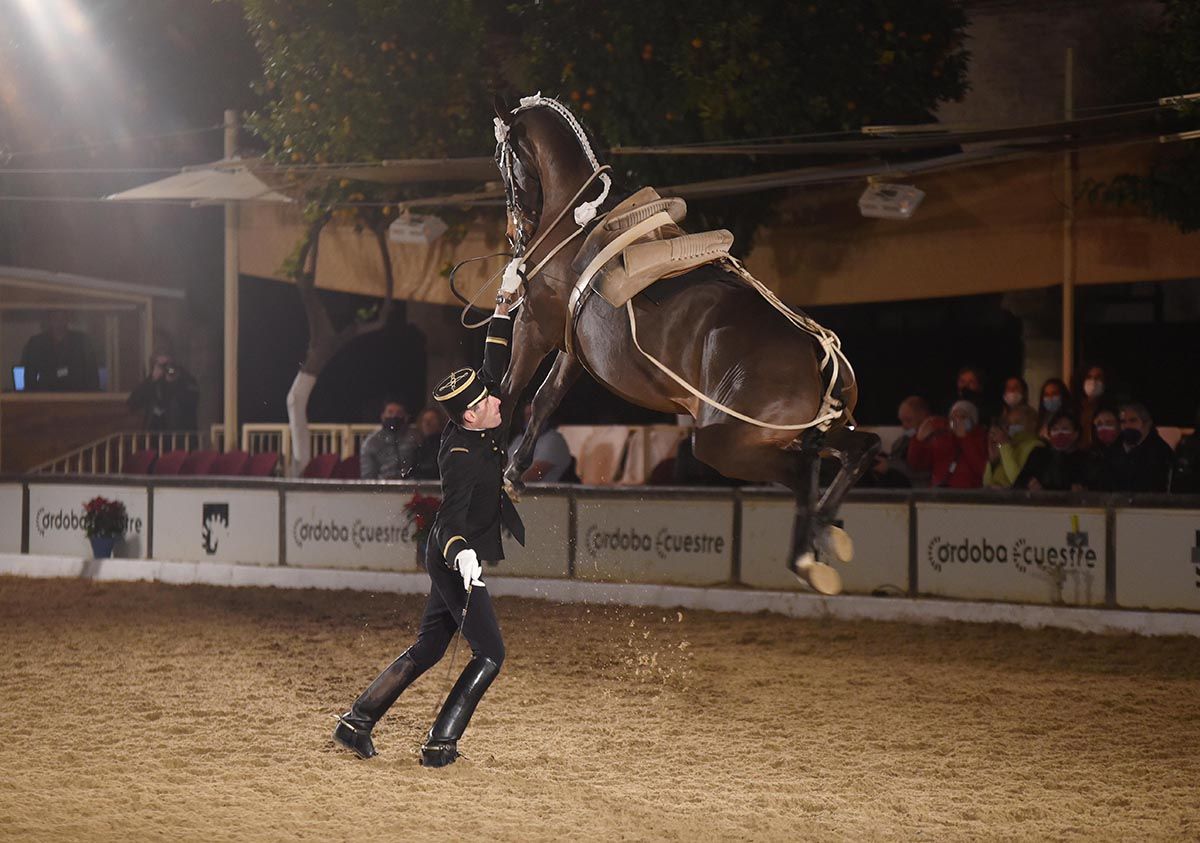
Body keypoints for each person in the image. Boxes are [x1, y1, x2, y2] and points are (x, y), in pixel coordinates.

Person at [334, 299, 523, 768]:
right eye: (485, 401)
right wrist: (462, 555)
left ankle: (356, 721)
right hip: (451, 555)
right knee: (490, 653)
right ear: (469, 418)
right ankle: (441, 741)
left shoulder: (482, 414)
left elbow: (493, 362)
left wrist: (502, 308)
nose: (498, 399)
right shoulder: (457, 455)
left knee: (431, 647)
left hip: (458, 555)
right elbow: (451, 521)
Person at [862, 395, 935, 488]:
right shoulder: (905, 439)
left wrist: (890, 465)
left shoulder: (933, 439)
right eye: (902, 421)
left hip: (913, 488)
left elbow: (923, 471)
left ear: (923, 416)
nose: (904, 426)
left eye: (908, 420)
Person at [19, 310, 99, 392]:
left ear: (68, 318)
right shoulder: (37, 343)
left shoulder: (81, 341)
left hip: (76, 396)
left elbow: (92, 374)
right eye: (55, 317)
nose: (59, 321)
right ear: (49, 319)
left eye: (62, 317)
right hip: (46, 396)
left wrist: (93, 399)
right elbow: (30, 376)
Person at [1105, 401, 1174, 493]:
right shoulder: (1113, 450)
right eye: (1123, 422)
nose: (1127, 426)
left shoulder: (1161, 452)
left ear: (1147, 424)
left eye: (1133, 421)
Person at [1015, 410, 1090, 491]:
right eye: (1055, 429)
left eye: (1065, 429)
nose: (1059, 433)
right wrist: (1029, 483)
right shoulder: (1039, 454)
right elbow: (1020, 481)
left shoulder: (1085, 459)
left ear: (1075, 434)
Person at [127, 353, 199, 431]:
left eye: (167, 364)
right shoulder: (153, 382)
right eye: (161, 365)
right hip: (154, 436)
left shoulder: (186, 380)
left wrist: (175, 380)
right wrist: (152, 380)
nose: (166, 368)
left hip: (178, 437)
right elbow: (132, 403)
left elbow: (192, 402)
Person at [508, 402, 575, 482]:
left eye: (534, 415)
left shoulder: (554, 440)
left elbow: (533, 475)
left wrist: (502, 483)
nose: (531, 420)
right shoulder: (519, 439)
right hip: (513, 490)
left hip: (542, 493)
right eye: (528, 415)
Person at [929, 400, 989, 488]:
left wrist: (965, 439)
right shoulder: (942, 438)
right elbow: (918, 464)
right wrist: (918, 440)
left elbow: (982, 469)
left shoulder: (982, 439)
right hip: (940, 492)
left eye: (963, 417)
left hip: (969, 493)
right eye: (954, 417)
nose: (958, 420)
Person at [983, 404, 1044, 488]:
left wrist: (1004, 445)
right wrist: (991, 462)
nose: (1012, 427)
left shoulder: (1037, 448)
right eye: (1010, 423)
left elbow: (1018, 480)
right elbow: (986, 482)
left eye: (1017, 422)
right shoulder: (1007, 445)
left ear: (1033, 424)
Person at [359, 399, 419, 480]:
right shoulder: (371, 442)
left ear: (405, 416)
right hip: (383, 489)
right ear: (383, 416)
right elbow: (368, 476)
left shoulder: (415, 438)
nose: (394, 416)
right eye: (390, 412)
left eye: (399, 413)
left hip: (411, 487)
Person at [905, 399, 951, 486]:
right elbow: (916, 466)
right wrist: (918, 440)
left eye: (908, 420)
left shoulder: (941, 429)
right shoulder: (911, 438)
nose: (904, 425)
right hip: (936, 489)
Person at [408, 407, 446, 480]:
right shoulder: (418, 449)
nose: (427, 423)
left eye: (432, 419)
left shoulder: (445, 447)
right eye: (424, 420)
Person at [1077, 364, 1107, 448]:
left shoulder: (1110, 409)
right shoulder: (1076, 407)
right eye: (1089, 377)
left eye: (1098, 377)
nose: (1093, 381)